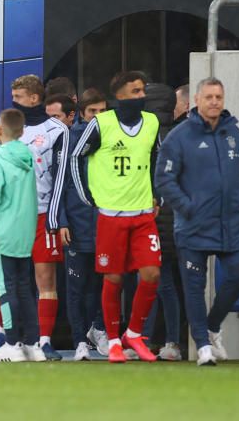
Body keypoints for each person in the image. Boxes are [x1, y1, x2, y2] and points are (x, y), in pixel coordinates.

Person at [156, 78, 239, 366]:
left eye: (218, 96)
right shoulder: (179, 136)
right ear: (196, 99)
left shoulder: (235, 135)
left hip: (230, 224)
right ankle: (203, 348)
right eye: (209, 96)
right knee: (193, 287)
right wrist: (187, 207)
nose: (214, 102)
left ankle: (211, 327)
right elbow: (164, 179)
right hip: (193, 225)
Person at [68, 70, 162, 363]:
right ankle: (112, 339)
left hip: (143, 213)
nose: (141, 96)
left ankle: (133, 332)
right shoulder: (100, 123)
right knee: (114, 277)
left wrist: (157, 193)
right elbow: (75, 157)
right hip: (111, 214)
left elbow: (157, 157)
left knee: (152, 273)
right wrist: (87, 198)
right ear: (119, 95)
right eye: (135, 91)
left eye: (142, 91)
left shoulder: (152, 122)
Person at [0, 108, 45, 362]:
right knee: (26, 290)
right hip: (25, 234)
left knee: (7, 289)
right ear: (22, 131)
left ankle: (11, 344)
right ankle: (32, 344)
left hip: (3, 234)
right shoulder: (28, 156)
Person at [10, 74, 68, 361]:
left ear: (34, 98)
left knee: (46, 280)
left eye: (18, 97)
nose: (14, 103)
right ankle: (6, 338)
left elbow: (61, 178)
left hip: (43, 214)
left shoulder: (57, 130)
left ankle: (44, 341)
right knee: (6, 280)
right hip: (12, 217)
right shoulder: (8, 126)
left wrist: (56, 217)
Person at [56, 87, 107, 360]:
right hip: (76, 224)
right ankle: (78, 341)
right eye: (92, 112)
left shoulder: (112, 138)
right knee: (76, 287)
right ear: (82, 114)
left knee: (102, 285)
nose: (97, 117)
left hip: (105, 225)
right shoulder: (69, 140)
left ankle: (98, 330)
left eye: (102, 112)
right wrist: (62, 221)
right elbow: (60, 184)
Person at [138, 82, 184, 361]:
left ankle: (145, 339)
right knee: (169, 285)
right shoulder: (181, 135)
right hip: (177, 222)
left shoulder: (144, 136)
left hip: (149, 220)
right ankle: (171, 342)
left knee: (150, 283)